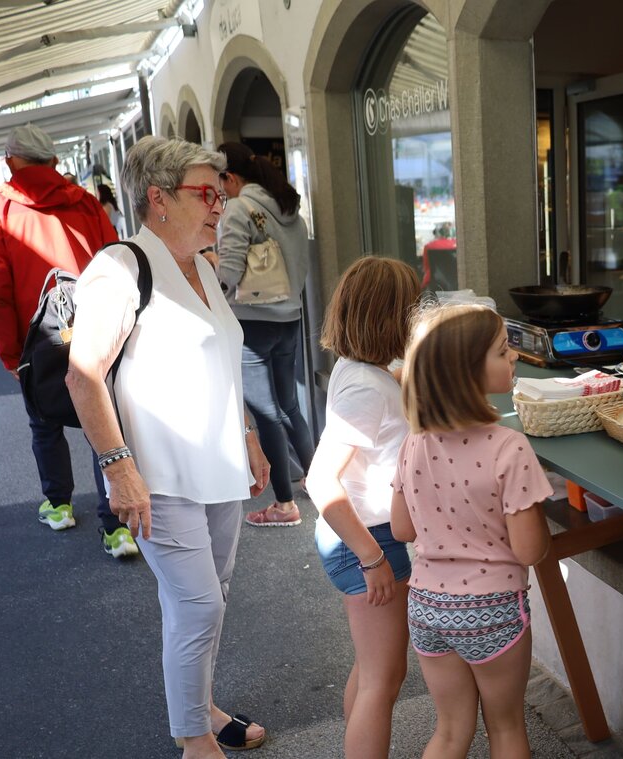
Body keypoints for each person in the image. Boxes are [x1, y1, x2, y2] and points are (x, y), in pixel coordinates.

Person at [65, 136, 270, 759]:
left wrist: (249, 435)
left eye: (220, 191)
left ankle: (198, 704)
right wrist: (117, 468)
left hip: (219, 464)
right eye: (206, 193)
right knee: (199, 604)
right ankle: (193, 739)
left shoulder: (202, 264)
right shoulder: (121, 268)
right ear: (158, 199)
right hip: (158, 473)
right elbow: (84, 373)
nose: (220, 204)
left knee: (211, 598)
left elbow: (221, 362)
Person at [390, 303, 552, 759]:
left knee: (448, 731)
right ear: (466, 371)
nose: (514, 357)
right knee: (505, 728)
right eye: (503, 351)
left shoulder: (413, 442)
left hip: (427, 607)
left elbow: (402, 528)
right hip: (492, 610)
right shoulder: (509, 446)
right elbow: (528, 551)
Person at [0, 122, 139, 559]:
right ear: (54, 161)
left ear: (11, 161)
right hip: (96, 327)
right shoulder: (84, 202)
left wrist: (10, 352)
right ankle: (117, 527)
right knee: (100, 422)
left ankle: (60, 505)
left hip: (36, 336)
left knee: (44, 422)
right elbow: (117, 261)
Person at [305, 256, 421, 758]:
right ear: (390, 317)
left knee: (372, 670)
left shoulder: (359, 371)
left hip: (366, 536)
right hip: (369, 540)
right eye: (411, 310)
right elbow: (319, 479)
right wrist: (372, 558)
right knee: (384, 678)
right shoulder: (367, 387)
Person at [215, 142, 314, 528]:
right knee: (289, 405)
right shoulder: (288, 207)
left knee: (266, 413)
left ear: (231, 177)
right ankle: (316, 479)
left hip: (253, 322)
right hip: (290, 317)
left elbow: (230, 272)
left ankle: (285, 505)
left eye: (218, 182)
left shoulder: (240, 209)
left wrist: (212, 266)